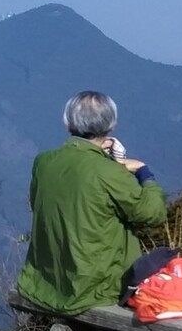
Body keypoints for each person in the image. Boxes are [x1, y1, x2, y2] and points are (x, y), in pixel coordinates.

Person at [16, 91, 168, 315]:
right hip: (96, 290)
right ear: (111, 127)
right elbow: (153, 213)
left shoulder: (44, 163)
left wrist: (106, 161)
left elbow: (39, 201)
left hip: (43, 285)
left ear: (67, 123)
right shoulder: (109, 172)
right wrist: (144, 173)